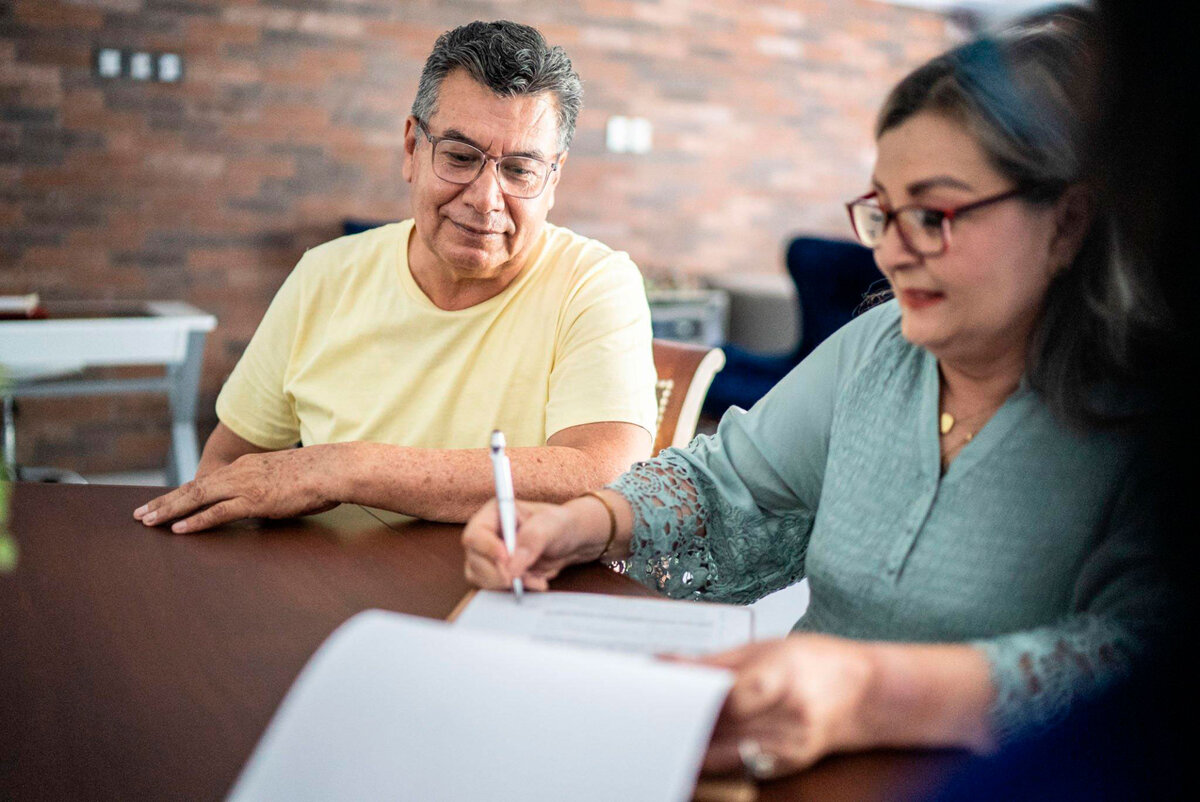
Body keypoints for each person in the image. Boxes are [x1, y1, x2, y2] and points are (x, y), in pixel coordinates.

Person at [462, 9, 1167, 779]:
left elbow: (1140, 663)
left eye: (931, 215)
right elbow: (727, 480)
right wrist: (586, 522)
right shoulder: (879, 348)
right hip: (794, 768)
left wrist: (868, 691)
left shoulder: (1145, 417)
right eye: (883, 213)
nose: (892, 252)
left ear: (1067, 223)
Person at [134, 21, 658, 533]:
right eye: (460, 157)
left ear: (553, 178)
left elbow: (605, 474)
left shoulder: (594, 283)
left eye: (519, 169)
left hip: (497, 585)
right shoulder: (325, 275)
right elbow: (227, 465)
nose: (485, 199)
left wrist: (345, 469)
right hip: (324, 583)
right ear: (412, 149)